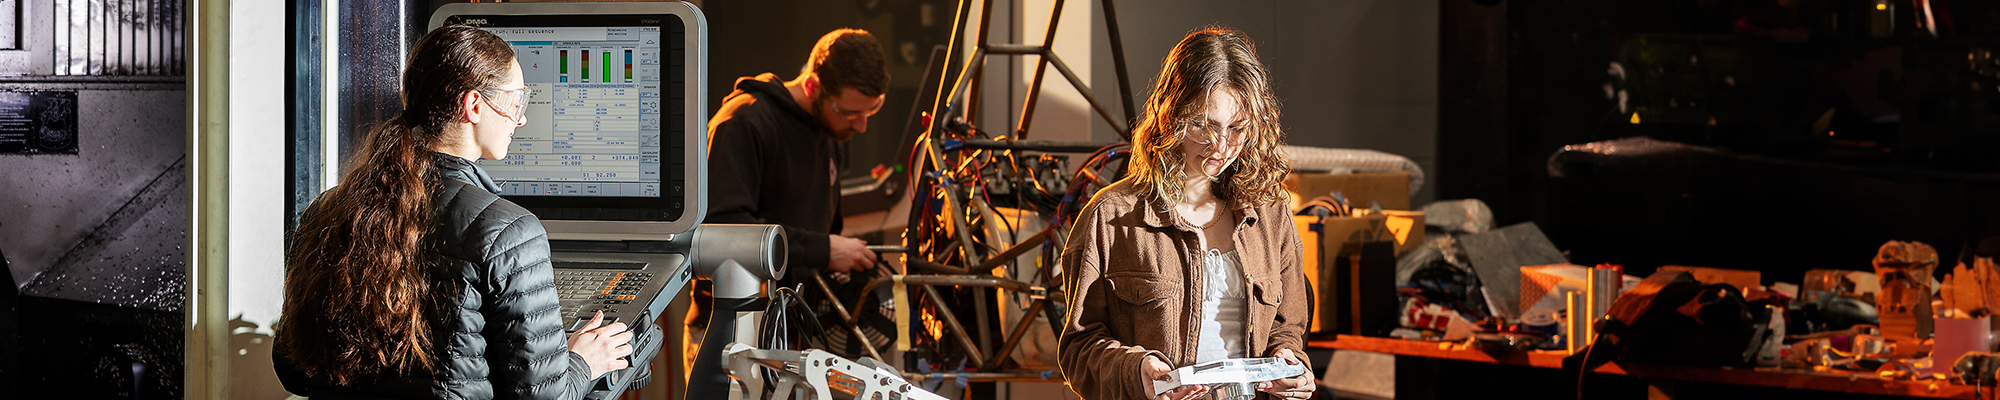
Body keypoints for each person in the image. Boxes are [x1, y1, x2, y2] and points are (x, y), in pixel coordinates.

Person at [273, 25, 631, 400]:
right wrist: (584, 361)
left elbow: (293, 368)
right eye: (516, 101)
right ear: (474, 105)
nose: (520, 119)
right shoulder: (509, 232)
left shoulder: (329, 210)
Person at [1057, 27, 1315, 400]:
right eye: (1203, 125)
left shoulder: (1272, 215)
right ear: (1169, 115)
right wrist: (1138, 372)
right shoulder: (1111, 218)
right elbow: (1078, 350)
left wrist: (1290, 364)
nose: (1221, 145)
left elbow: (1287, 330)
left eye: (1237, 128)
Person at [687, 28, 890, 366]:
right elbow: (724, 230)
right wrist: (824, 249)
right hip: (735, 333)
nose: (861, 126)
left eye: (872, 111)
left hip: (793, 330)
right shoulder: (743, 123)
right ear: (812, 86)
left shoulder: (827, 131)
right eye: (850, 112)